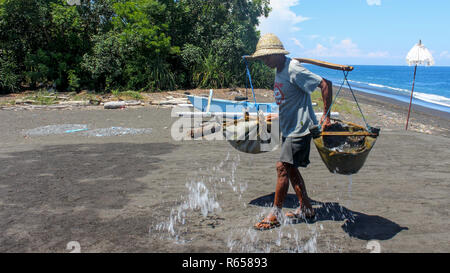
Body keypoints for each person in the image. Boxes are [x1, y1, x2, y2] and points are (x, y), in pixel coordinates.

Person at [249, 33, 333, 230]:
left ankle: (275, 215)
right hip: (288, 128)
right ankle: (307, 209)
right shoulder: (279, 69)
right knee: (292, 170)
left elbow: (325, 84)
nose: (265, 61)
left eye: (267, 56)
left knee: (282, 167)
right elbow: (289, 99)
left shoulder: (293, 68)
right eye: (262, 58)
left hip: (300, 129)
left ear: (279, 54)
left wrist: (326, 116)